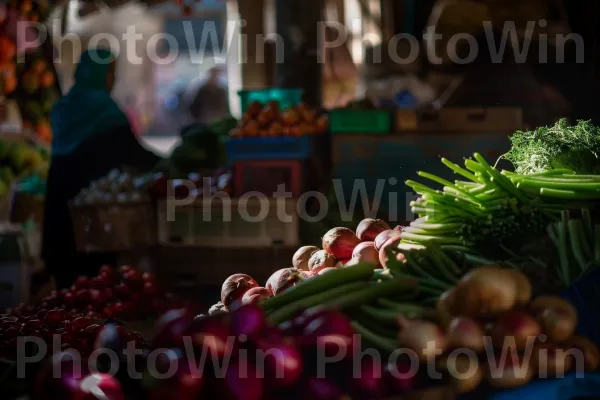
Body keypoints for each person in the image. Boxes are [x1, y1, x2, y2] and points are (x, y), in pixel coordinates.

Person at [42, 49, 160, 289]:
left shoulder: (62, 108)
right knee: (94, 291)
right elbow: (135, 155)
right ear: (99, 75)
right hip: (91, 220)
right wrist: (169, 163)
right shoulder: (105, 111)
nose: (112, 79)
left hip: (59, 211)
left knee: (67, 292)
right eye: (110, 73)